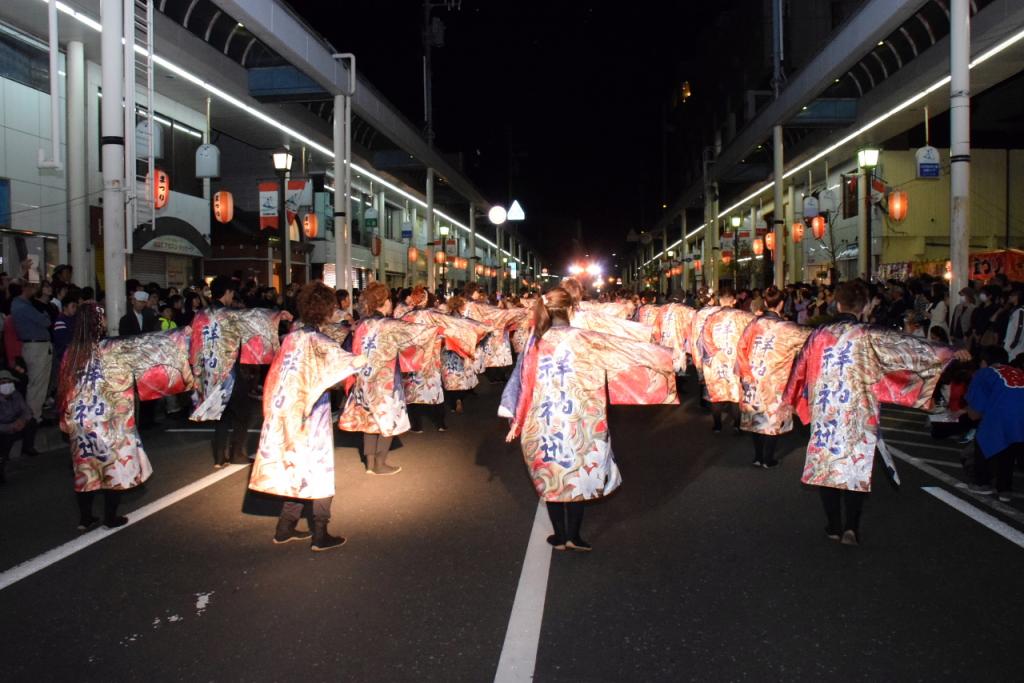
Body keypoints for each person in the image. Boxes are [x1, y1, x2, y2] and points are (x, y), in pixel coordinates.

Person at [784, 281, 970, 546]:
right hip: (860, 411)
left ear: (838, 304)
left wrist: (793, 400)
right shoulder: (869, 334)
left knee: (827, 467)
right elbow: (907, 350)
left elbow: (799, 369)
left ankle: (834, 526)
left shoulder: (818, 335)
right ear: (864, 307)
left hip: (826, 410)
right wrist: (949, 352)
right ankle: (851, 527)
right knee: (855, 467)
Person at [500, 287, 677, 551]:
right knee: (579, 472)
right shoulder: (587, 338)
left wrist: (514, 415)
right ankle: (574, 535)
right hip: (580, 418)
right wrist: (667, 357)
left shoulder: (534, 342)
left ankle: (559, 536)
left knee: (552, 474)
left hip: (543, 419)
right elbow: (626, 351)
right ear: (571, 309)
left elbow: (521, 382)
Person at [249, 283, 366, 551]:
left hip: (284, 409)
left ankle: (285, 527)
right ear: (326, 311)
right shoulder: (321, 342)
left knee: (295, 465)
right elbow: (351, 364)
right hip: (312, 412)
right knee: (319, 467)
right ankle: (320, 532)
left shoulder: (291, 338)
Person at [58, 303, 193, 530]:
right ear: (98, 323)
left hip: (80, 419)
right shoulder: (113, 347)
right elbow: (148, 345)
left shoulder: (71, 353)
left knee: (86, 470)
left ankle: (85, 518)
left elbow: (63, 390)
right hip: (110, 419)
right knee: (113, 468)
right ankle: (110, 517)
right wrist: (181, 334)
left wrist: (64, 419)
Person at [338, 282, 439, 475]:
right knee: (388, 418)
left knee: (369, 420)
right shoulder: (390, 325)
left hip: (364, 379)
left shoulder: (362, 325)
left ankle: (369, 464)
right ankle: (380, 463)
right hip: (385, 381)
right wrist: (439, 330)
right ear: (384, 302)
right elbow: (418, 335)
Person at [191, 276, 288, 468]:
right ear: (227, 292)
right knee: (242, 413)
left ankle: (219, 457)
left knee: (221, 414)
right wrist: (277, 315)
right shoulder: (229, 314)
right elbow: (254, 319)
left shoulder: (200, 316)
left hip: (209, 373)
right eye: (231, 292)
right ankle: (237, 453)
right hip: (230, 372)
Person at [735, 286, 811, 468]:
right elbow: (810, 340)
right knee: (772, 419)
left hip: (752, 376)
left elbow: (741, 348)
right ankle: (768, 459)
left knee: (756, 417)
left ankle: (758, 456)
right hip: (776, 380)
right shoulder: (788, 328)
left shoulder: (754, 324)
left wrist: (745, 373)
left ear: (766, 302)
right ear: (782, 304)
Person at [965, 346, 1024, 503]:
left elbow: (974, 414)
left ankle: (982, 482)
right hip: (1021, 420)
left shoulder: (984, 374)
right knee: (1010, 448)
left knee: (985, 439)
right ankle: (1005, 489)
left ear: (984, 362)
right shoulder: (1018, 372)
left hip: (1000, 418)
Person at [696, 288, 754, 434]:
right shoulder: (745, 316)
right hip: (736, 360)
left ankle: (717, 426)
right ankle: (737, 425)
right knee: (735, 394)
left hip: (716, 361)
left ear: (720, 301)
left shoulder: (711, 318)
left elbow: (704, 339)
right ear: (734, 301)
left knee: (717, 394)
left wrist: (715, 353)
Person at [11, 281, 52, 428]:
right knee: (37, 383)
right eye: (32, 287)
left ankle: (35, 414)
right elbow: (45, 321)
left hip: (34, 346)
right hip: (36, 346)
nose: (34, 290)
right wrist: (45, 316)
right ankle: (34, 416)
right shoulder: (23, 306)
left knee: (36, 383)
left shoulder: (20, 305)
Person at [0, 369, 34, 483]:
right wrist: (10, 427)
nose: (6, 385)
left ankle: (27, 449)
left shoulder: (16, 395)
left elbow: (27, 411)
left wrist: (22, 421)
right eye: (2, 382)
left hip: (17, 424)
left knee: (32, 422)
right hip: (4, 430)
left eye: (8, 382)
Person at [1003, 286, 1023, 364]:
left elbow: (1019, 330)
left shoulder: (1020, 311)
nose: (1010, 297)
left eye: (1012, 295)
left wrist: (1011, 346)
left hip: (1015, 349)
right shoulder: (1014, 310)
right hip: (1009, 346)